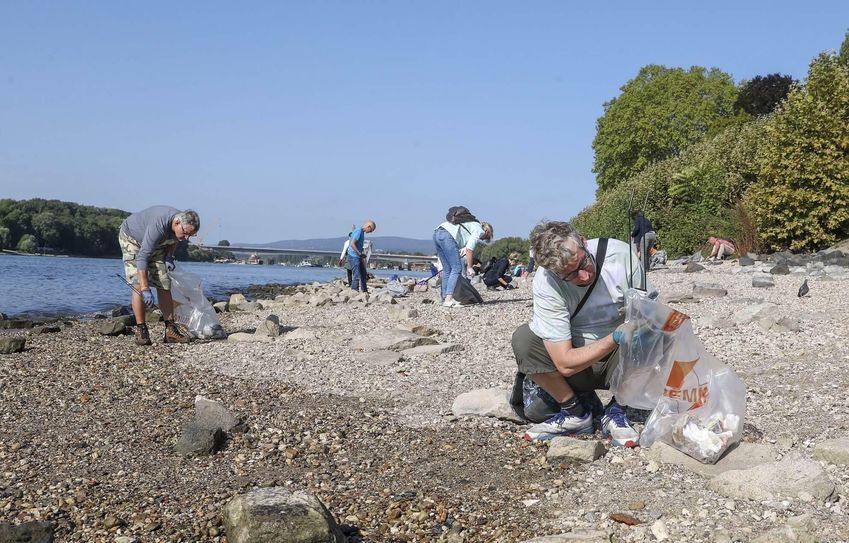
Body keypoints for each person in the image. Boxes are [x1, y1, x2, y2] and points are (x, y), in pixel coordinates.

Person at [511, 221, 654, 446]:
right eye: (570, 276)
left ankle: (617, 409)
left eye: (583, 263)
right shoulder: (546, 281)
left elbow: (649, 314)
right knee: (524, 339)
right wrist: (614, 337)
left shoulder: (620, 256)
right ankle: (575, 413)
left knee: (656, 333)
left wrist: (640, 327)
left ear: (584, 242)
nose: (584, 277)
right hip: (577, 363)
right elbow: (565, 363)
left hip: (622, 363)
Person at [119, 206, 200, 346]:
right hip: (132, 239)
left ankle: (170, 331)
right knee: (138, 282)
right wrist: (145, 289)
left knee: (164, 282)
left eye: (190, 235)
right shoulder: (158, 226)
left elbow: (175, 239)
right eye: (186, 233)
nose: (186, 238)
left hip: (156, 244)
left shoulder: (179, 227)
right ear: (177, 223)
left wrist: (169, 256)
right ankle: (141, 330)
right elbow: (143, 257)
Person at [432, 216, 493, 307]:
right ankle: (448, 299)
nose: (482, 239)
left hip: (437, 233)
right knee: (456, 268)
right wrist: (469, 267)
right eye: (485, 237)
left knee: (447, 269)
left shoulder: (470, 224)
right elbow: (469, 249)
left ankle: (444, 298)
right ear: (487, 231)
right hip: (447, 236)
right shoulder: (479, 230)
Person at [348, 220, 376, 293]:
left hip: (358, 256)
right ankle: (354, 291)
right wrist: (359, 253)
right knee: (356, 275)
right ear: (368, 227)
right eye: (371, 230)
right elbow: (352, 244)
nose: (370, 232)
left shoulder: (361, 232)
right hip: (354, 256)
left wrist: (361, 254)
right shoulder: (359, 231)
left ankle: (364, 291)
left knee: (363, 274)